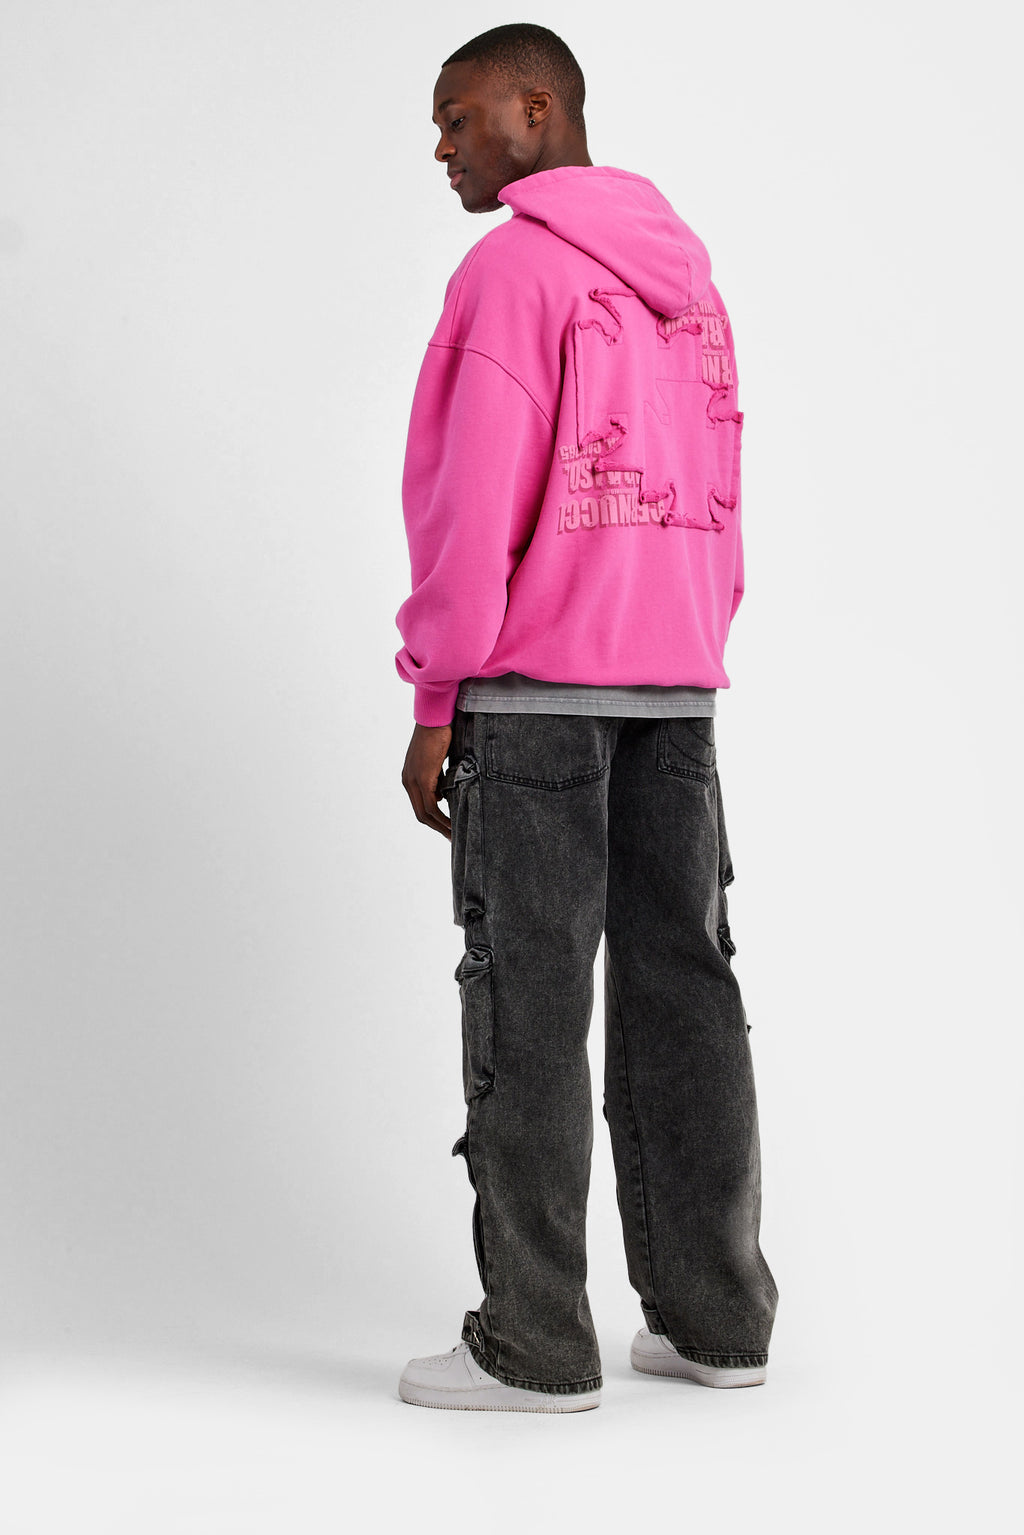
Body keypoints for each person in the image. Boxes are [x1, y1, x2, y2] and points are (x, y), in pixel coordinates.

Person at [394, 22, 779, 1413]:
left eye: (459, 118)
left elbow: (468, 502)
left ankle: (535, 1343)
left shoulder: (512, 272)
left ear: (536, 105)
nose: (443, 148)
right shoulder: (693, 287)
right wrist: (693, 637)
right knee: (687, 993)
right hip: (674, 688)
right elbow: (722, 483)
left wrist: (437, 693)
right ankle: (716, 1324)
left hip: (539, 696)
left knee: (531, 1001)